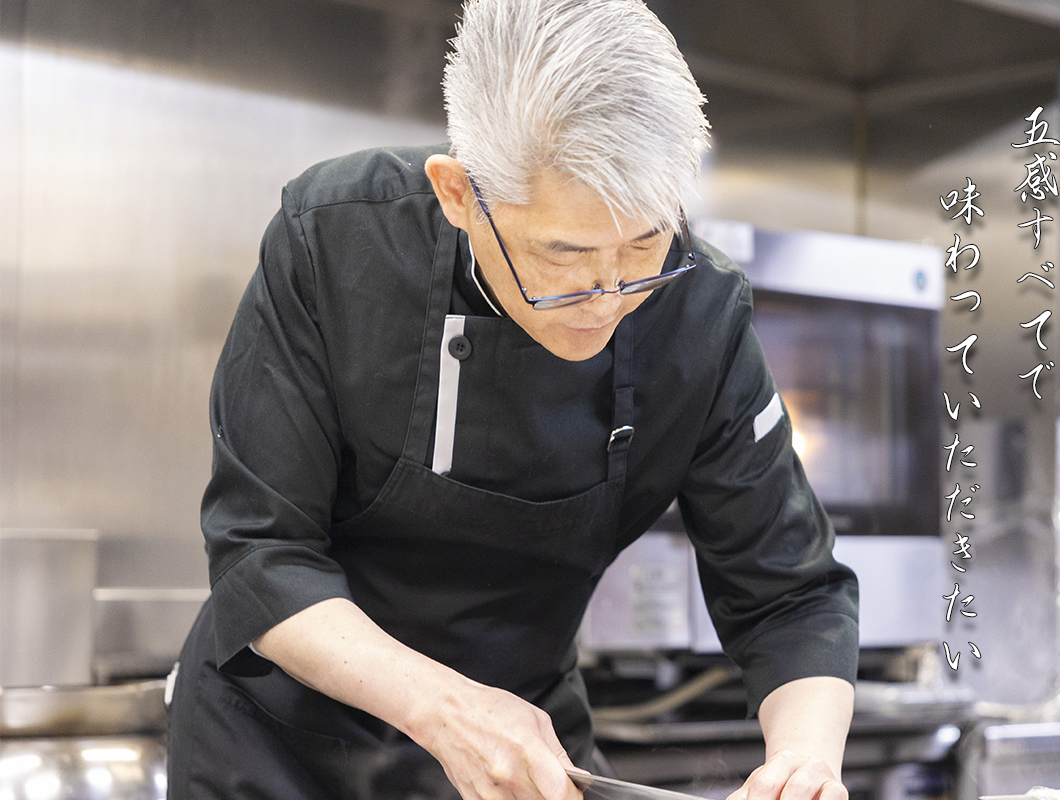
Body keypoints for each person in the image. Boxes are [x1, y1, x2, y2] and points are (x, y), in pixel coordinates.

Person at [166, 1, 860, 798]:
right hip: (275, 750)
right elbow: (262, 551)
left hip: (523, 756)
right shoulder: (332, 244)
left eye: (643, 250)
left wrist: (805, 763)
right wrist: (447, 709)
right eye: (563, 256)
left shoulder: (701, 312)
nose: (606, 297)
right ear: (459, 195)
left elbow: (791, 593)